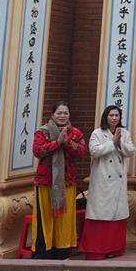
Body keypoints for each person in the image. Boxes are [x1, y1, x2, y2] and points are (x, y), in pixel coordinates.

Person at [31, 101, 87, 259]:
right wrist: (56, 143)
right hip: (46, 182)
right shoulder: (42, 132)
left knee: (64, 219)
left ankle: (62, 252)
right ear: (52, 115)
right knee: (46, 218)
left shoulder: (75, 133)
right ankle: (43, 252)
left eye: (65, 113)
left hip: (66, 182)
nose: (62, 116)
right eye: (59, 113)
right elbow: (37, 151)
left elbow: (81, 152)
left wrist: (67, 142)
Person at [79, 104, 135, 260]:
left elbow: (131, 150)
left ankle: (114, 248)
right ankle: (96, 250)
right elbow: (94, 151)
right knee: (100, 214)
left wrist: (119, 142)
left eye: (117, 115)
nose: (114, 118)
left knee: (116, 214)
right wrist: (112, 143)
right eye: (111, 115)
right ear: (106, 117)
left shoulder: (124, 133)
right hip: (102, 180)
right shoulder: (97, 133)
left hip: (118, 181)